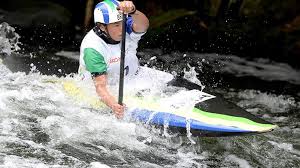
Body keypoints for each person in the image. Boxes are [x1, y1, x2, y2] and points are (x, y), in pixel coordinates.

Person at [78, 0, 149, 119]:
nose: (122, 28)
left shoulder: (126, 26)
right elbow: (100, 87)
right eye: (116, 25)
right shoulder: (93, 48)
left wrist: (133, 11)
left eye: (123, 22)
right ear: (102, 26)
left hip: (134, 78)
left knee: (176, 83)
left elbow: (144, 25)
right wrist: (114, 105)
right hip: (105, 89)